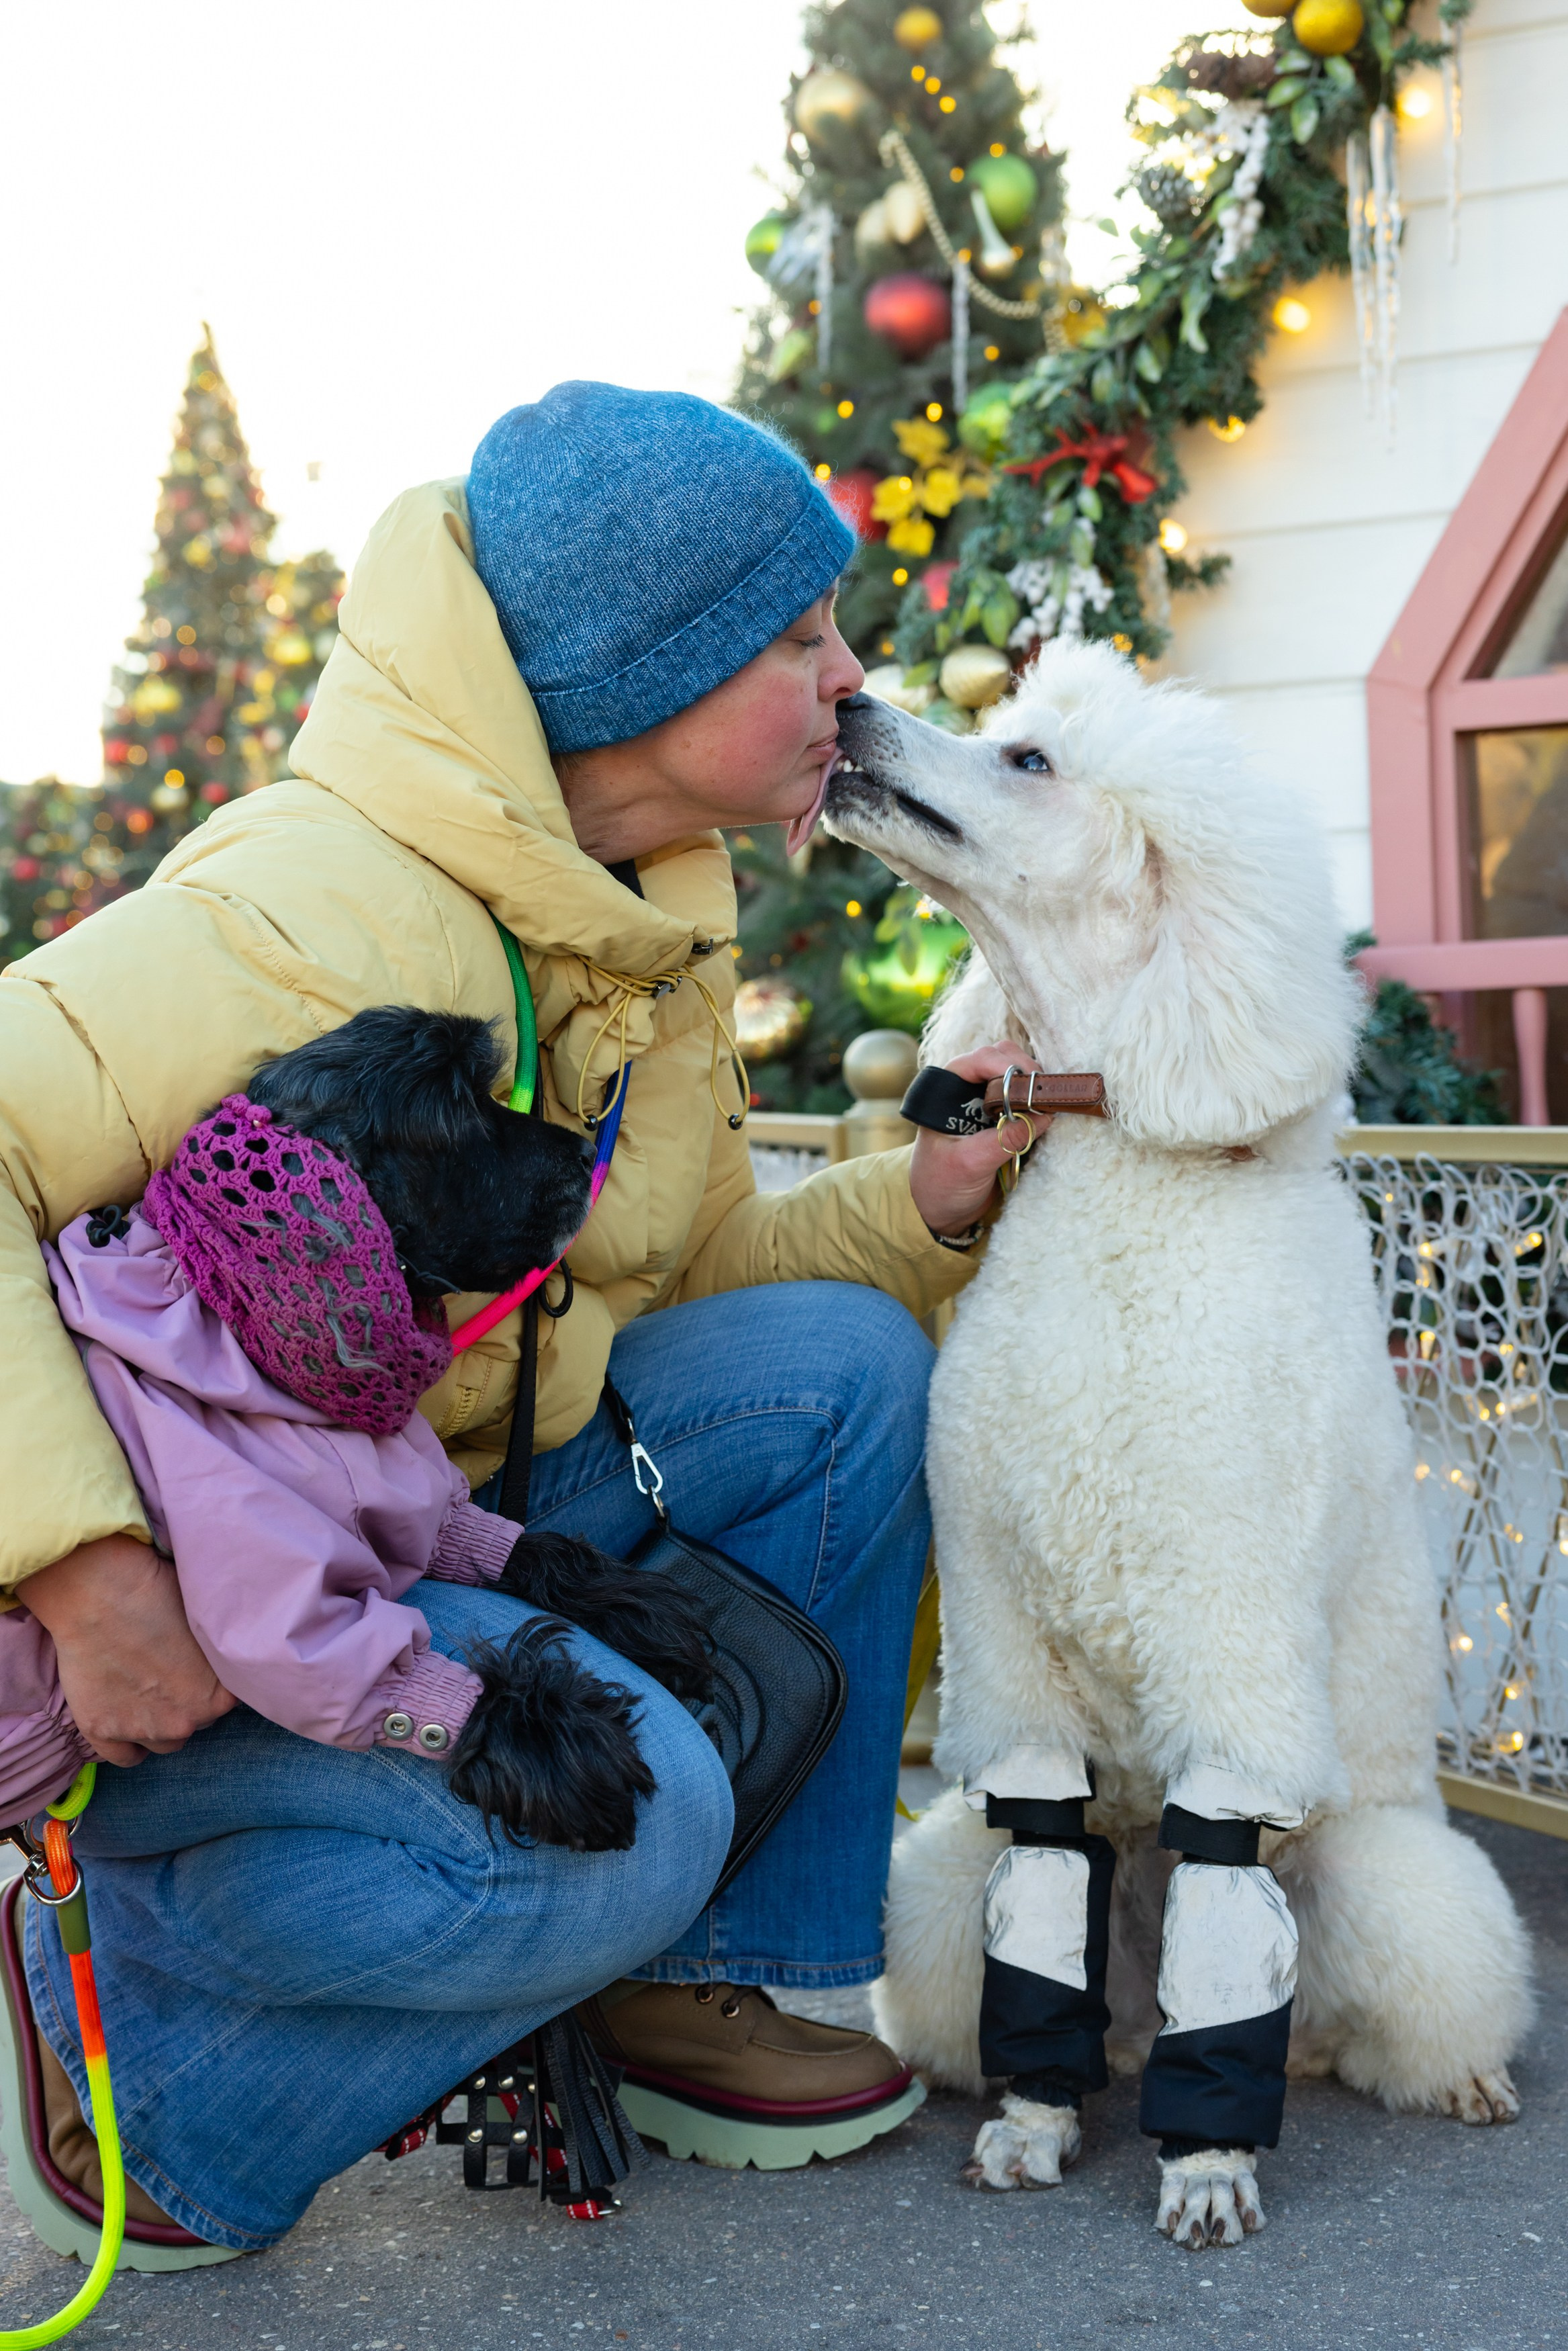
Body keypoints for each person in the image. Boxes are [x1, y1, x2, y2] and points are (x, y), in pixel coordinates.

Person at [0, 381, 1038, 2253]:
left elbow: (689, 1270)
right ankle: (153, 2064)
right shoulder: (305, 905)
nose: (851, 672)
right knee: (623, 1813)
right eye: (800, 635)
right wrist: (83, 1571)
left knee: (847, 1373)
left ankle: (676, 1978)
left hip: (438, 1488)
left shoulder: (651, 913)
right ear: (651, 670)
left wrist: (921, 1202)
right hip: (233, 1596)